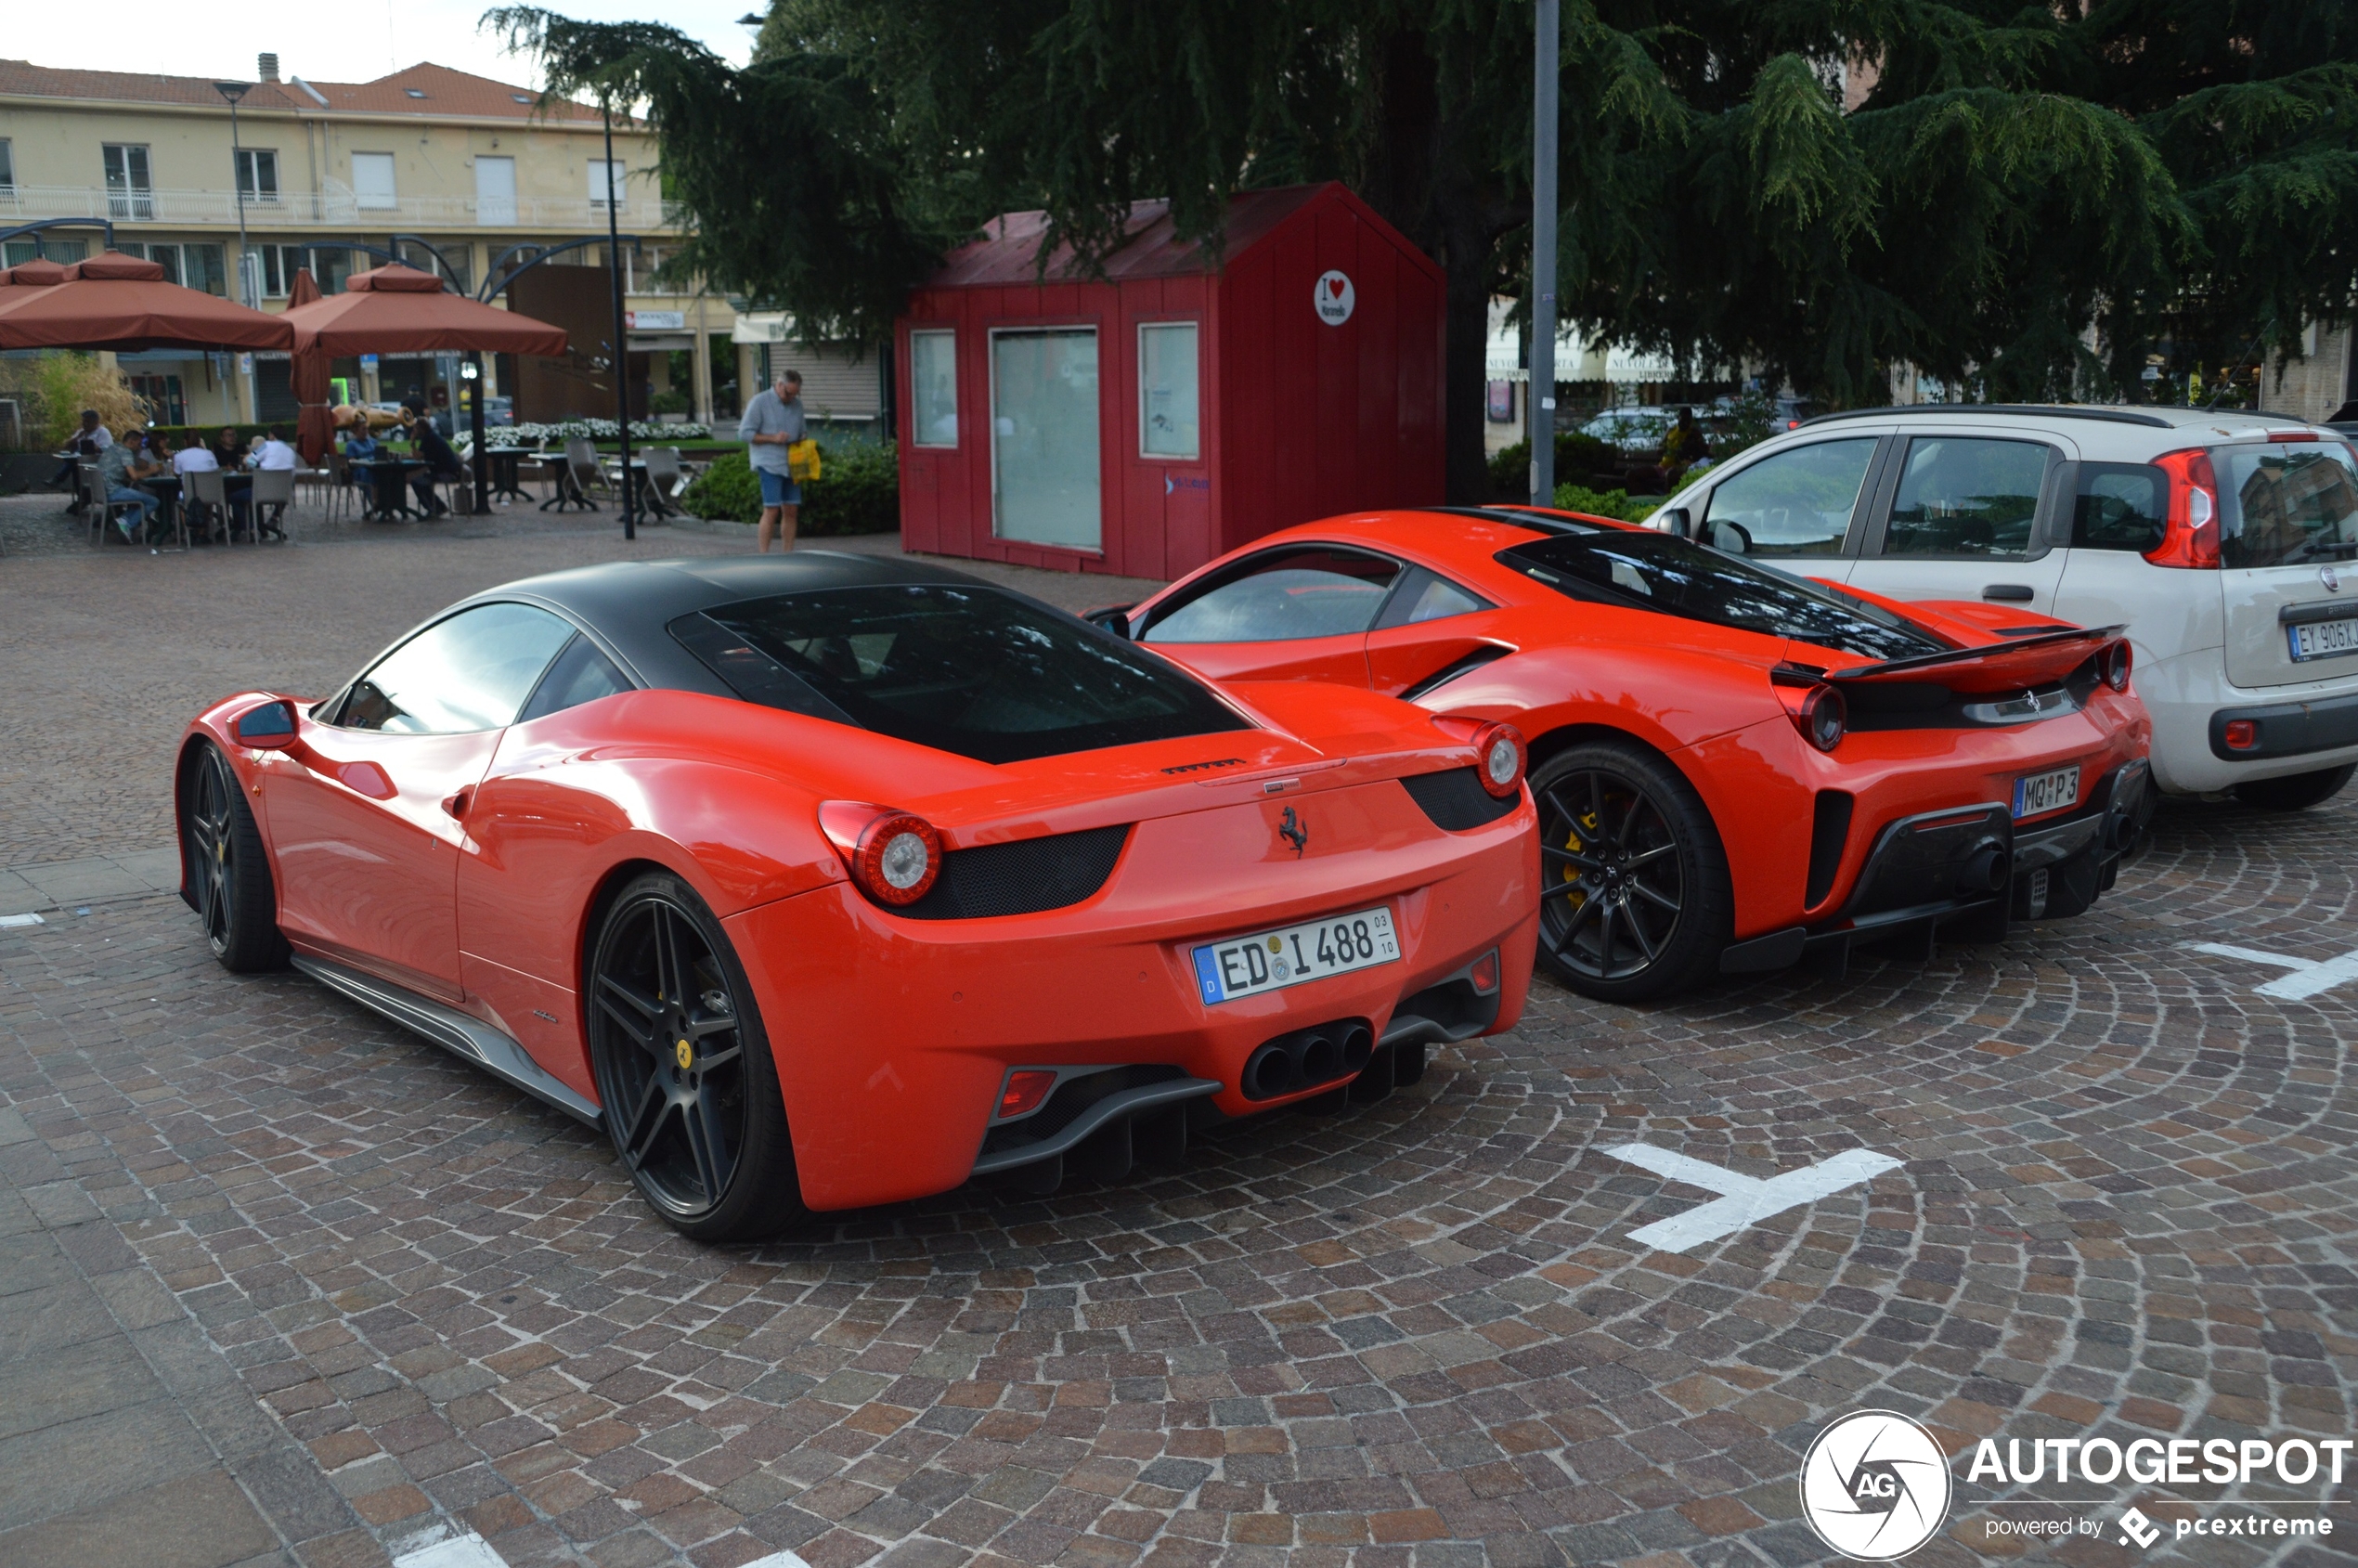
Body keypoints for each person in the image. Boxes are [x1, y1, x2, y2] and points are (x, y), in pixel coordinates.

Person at [738, 368, 806, 552]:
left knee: (791, 510)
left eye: (795, 394)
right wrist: (773, 438)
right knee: (772, 509)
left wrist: (803, 437)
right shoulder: (760, 402)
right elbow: (744, 433)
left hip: (792, 462)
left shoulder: (797, 405)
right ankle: (764, 554)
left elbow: (802, 430)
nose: (791, 397)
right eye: (788, 393)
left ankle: (788, 553)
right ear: (779, 385)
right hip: (768, 461)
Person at [94, 429, 159, 542]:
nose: (139, 447)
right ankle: (126, 523)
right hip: (113, 491)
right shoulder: (126, 452)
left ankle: (124, 521)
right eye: (139, 444)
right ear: (132, 441)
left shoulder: (112, 448)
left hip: (101, 491)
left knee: (138, 500)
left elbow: (119, 472)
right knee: (153, 501)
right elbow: (133, 476)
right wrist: (151, 470)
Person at [408, 412, 464, 517]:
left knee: (417, 482)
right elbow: (420, 455)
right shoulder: (431, 436)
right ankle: (439, 506)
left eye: (415, 428)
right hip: (449, 470)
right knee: (421, 480)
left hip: (446, 472)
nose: (414, 431)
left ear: (421, 428)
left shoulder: (428, 438)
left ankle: (434, 508)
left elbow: (417, 457)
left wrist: (412, 441)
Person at [52, 409, 113, 502]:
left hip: (96, 461)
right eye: (83, 421)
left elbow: (107, 449)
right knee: (74, 464)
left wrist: (93, 447)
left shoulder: (103, 432)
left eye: (87, 422)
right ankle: (82, 497)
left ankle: (58, 479)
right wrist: (78, 438)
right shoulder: (82, 432)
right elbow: (66, 446)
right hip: (81, 460)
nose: (84, 424)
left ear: (95, 422)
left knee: (74, 463)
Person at [1660, 406, 1711, 485]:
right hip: (1663, 465)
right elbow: (1660, 446)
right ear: (1678, 417)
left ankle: (1668, 496)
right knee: (1639, 473)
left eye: (1688, 420)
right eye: (1683, 419)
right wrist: (1664, 449)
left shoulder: (1694, 433)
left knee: (1670, 474)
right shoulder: (1671, 430)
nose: (1686, 422)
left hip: (1680, 466)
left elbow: (1703, 449)